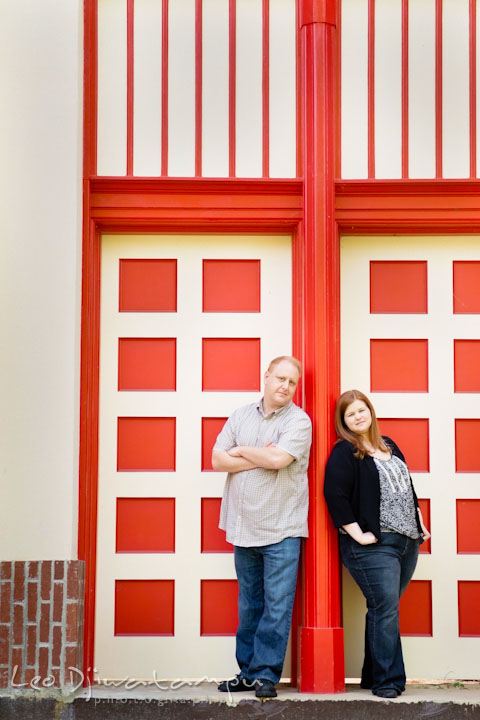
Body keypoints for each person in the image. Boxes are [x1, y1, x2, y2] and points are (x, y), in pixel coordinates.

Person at [212, 356, 312, 699]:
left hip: (282, 527)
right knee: (250, 604)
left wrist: (239, 451)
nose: (285, 386)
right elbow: (216, 459)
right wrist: (256, 454)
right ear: (266, 377)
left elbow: (278, 460)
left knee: (277, 605)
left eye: (292, 382)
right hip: (243, 525)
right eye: (280, 378)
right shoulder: (240, 415)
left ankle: (265, 675)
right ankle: (246, 672)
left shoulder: (299, 422)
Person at [324, 389, 430, 699]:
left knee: (385, 609)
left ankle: (373, 676)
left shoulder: (389, 446)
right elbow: (335, 495)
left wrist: (420, 523)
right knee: (386, 608)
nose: (358, 416)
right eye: (350, 414)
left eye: (362, 410)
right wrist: (358, 534)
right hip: (374, 545)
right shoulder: (345, 451)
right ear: (343, 421)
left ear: (370, 411)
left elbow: (406, 487)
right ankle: (389, 681)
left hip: (407, 542)